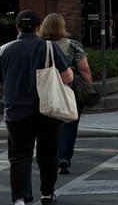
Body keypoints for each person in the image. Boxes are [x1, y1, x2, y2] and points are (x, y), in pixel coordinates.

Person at [0, 10, 73, 205]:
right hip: (48, 110)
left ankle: (20, 202)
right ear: (38, 27)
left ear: (17, 28)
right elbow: (67, 76)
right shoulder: (49, 47)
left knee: (19, 156)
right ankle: (46, 192)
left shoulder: (3, 50)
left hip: (16, 112)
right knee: (48, 151)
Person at [39, 12, 92, 175]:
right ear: (62, 26)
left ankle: (48, 158)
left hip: (44, 90)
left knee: (46, 126)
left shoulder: (37, 45)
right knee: (69, 124)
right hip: (70, 89)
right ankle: (63, 158)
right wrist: (89, 86)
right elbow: (84, 69)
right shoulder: (73, 45)